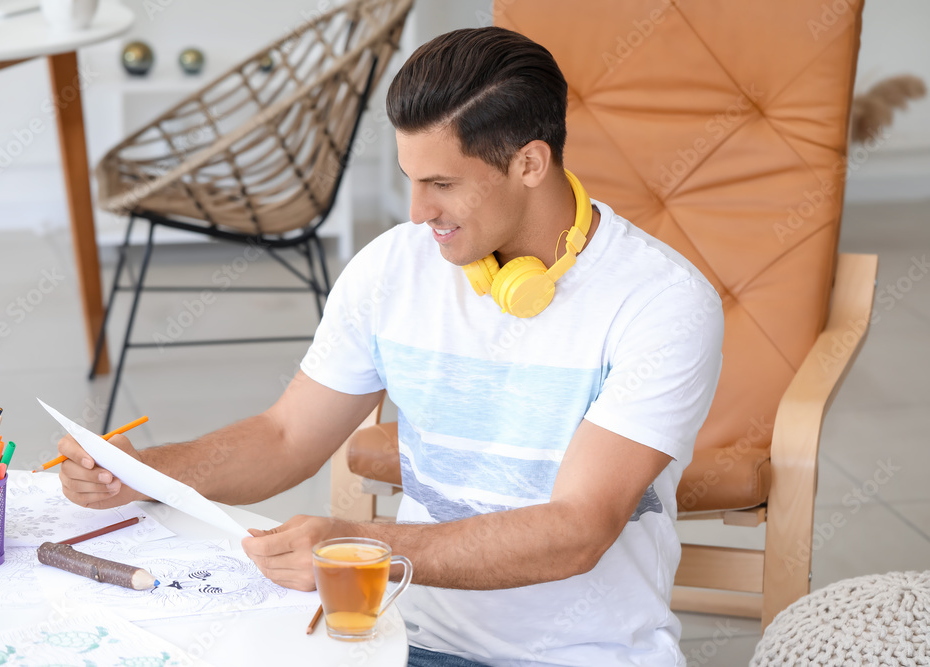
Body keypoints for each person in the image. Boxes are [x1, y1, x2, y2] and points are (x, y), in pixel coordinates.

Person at [59, 26, 724, 667]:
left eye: (442, 184)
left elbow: (578, 529)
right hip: (401, 638)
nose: (417, 212)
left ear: (529, 162)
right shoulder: (393, 268)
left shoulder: (660, 301)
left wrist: (363, 544)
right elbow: (287, 435)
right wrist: (142, 473)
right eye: (411, 179)